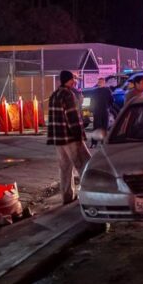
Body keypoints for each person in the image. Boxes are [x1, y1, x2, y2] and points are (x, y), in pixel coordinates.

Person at [47, 70, 90, 204]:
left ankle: (67, 196)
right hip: (70, 137)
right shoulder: (68, 94)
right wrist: (79, 136)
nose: (75, 81)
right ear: (69, 80)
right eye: (73, 79)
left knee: (65, 167)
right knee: (84, 164)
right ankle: (88, 194)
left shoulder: (54, 95)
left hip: (58, 138)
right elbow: (72, 116)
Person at [89, 77, 114, 145]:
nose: (100, 83)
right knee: (97, 127)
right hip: (97, 111)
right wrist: (92, 110)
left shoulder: (107, 91)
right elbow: (91, 101)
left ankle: (102, 142)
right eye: (99, 82)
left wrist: (108, 107)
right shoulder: (95, 91)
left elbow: (111, 101)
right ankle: (94, 143)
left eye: (101, 82)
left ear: (104, 83)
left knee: (104, 127)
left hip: (104, 111)